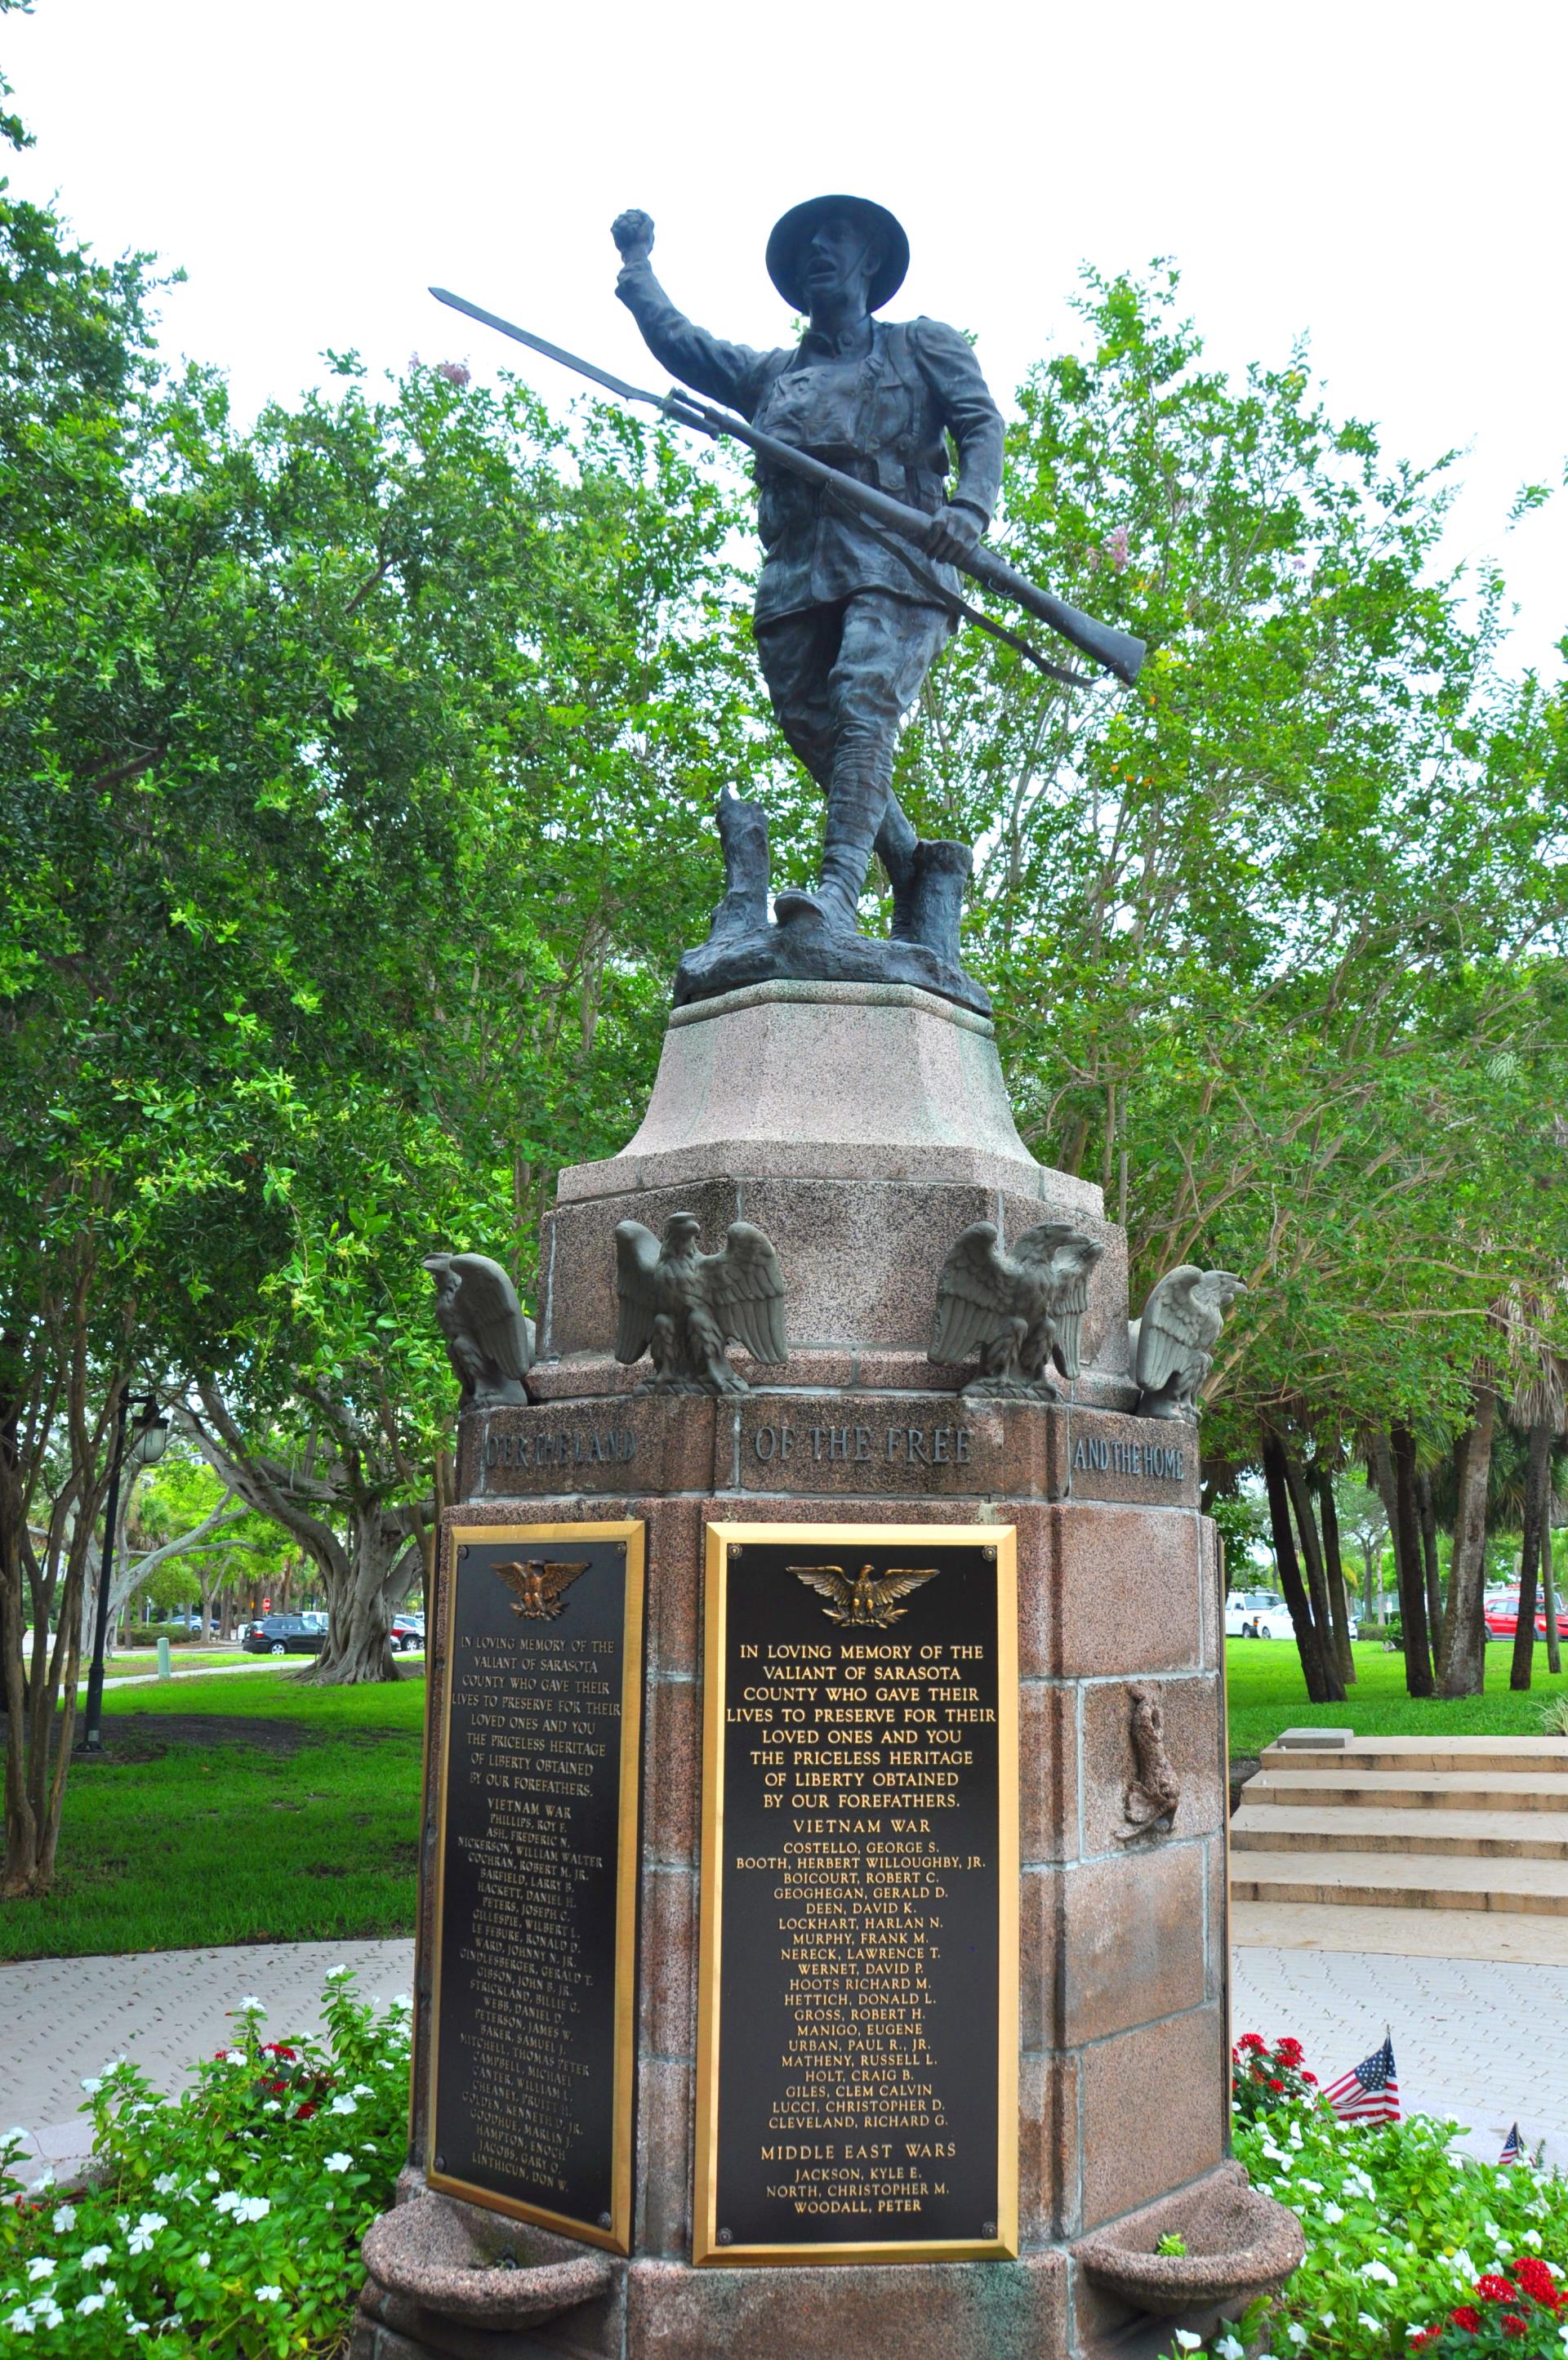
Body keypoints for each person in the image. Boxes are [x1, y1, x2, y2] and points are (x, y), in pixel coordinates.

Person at [612, 196, 1004, 965]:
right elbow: (683, 345)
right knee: (814, 729)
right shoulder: (773, 374)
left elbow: (981, 424)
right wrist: (637, 269)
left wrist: (970, 508)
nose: (818, 248)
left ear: (871, 260)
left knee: (864, 698)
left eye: (838, 237)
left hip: (899, 556)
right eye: (807, 244)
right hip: (797, 569)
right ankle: (914, 862)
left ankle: (838, 890)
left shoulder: (920, 344)